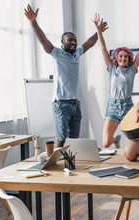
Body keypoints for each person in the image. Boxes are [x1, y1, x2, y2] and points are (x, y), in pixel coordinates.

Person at [24, 5, 107, 147]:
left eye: (75, 40)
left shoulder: (77, 53)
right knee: (61, 139)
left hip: (75, 104)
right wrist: (33, 22)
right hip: (61, 104)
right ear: (62, 42)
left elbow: (90, 43)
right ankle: (55, 166)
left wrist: (98, 31)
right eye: (70, 40)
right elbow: (43, 40)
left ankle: (70, 166)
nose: (73, 42)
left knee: (74, 140)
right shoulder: (57, 53)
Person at [91, 13, 139, 148]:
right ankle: (115, 140)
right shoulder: (112, 68)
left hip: (127, 106)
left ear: (129, 58)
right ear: (116, 57)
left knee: (135, 139)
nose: (123, 58)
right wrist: (98, 30)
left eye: (126, 57)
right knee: (106, 143)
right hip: (113, 107)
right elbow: (103, 49)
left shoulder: (132, 69)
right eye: (120, 56)